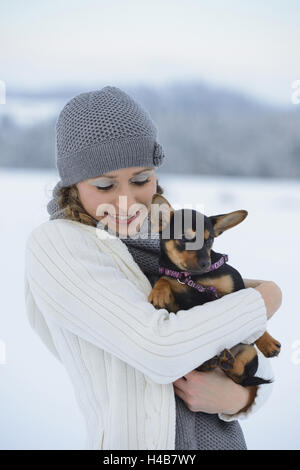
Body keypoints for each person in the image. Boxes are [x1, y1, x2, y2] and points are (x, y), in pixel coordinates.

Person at [24, 86, 282, 450]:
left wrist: (238, 399)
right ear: (72, 184)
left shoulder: (168, 238)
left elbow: (253, 359)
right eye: (104, 184)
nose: (127, 200)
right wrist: (265, 298)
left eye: (141, 179)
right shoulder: (59, 246)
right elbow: (160, 349)